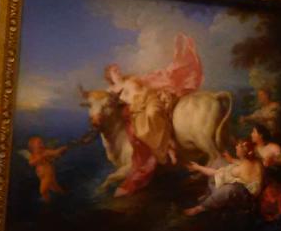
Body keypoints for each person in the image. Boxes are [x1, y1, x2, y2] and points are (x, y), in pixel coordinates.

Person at [104, 33, 203, 196]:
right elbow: (110, 107)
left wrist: (161, 90)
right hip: (135, 111)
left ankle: (167, 146)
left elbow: (148, 85)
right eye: (114, 70)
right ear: (109, 75)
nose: (118, 71)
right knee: (142, 130)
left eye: (117, 69)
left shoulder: (130, 79)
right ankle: (166, 147)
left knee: (153, 113)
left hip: (148, 100)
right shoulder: (110, 91)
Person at [184, 139, 263, 216]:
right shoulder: (256, 162)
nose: (236, 147)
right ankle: (211, 194)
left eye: (239, 146)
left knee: (227, 188)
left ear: (244, 152)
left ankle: (201, 207)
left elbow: (215, 173)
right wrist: (231, 160)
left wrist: (197, 167)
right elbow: (242, 162)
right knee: (220, 161)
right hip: (249, 189)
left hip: (244, 198)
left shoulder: (238, 170)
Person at [27, 136, 67, 202]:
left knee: (42, 191)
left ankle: (47, 201)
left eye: (42, 143)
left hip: (47, 174)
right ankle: (63, 194)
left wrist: (62, 149)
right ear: (32, 147)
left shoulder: (45, 152)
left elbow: (55, 152)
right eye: (39, 143)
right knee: (54, 186)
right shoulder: (32, 155)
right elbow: (31, 163)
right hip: (43, 176)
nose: (42, 144)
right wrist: (39, 158)